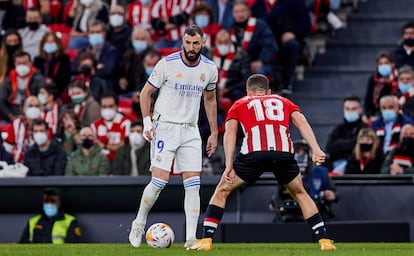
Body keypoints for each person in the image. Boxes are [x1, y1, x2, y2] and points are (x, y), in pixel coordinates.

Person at [188, 74, 336, 251]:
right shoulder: (284, 101)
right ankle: (324, 241)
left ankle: (206, 240)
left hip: (253, 153)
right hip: (283, 153)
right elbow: (301, 123)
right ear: (269, 91)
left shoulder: (241, 103)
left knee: (222, 190)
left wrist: (229, 164)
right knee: (301, 193)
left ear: (248, 92)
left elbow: (230, 132)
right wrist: (316, 148)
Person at [128, 25, 218, 249]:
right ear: (183, 42)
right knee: (159, 182)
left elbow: (210, 100)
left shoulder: (209, 68)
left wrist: (214, 132)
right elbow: (146, 93)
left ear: (203, 43)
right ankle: (139, 222)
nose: (191, 47)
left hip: (190, 129)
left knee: (193, 185)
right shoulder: (167, 63)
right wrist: (147, 122)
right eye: (187, 42)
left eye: (195, 43)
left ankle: (190, 239)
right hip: (165, 127)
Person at [269, 140, 338, 222]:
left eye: (304, 151)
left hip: (317, 214)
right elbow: (278, 196)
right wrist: (275, 203)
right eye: (297, 151)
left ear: (309, 154)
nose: (300, 154)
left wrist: (331, 194)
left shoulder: (321, 172)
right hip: (290, 216)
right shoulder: (285, 174)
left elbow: (336, 194)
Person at [325, 95, 367, 174]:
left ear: (360, 110)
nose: (350, 112)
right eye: (347, 109)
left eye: (354, 109)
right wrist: (346, 144)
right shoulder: (339, 128)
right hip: (334, 163)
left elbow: (356, 146)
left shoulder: (365, 129)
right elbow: (329, 146)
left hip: (353, 166)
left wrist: (338, 143)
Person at [91, 91, 131, 171]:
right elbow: (94, 148)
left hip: (120, 163)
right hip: (100, 164)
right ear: (100, 107)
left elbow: (122, 146)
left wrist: (104, 145)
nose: (107, 109)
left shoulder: (125, 122)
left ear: (116, 107)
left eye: (110, 106)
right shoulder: (95, 125)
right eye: (104, 106)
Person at [0, 51, 45, 122]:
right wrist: (10, 116)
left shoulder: (39, 79)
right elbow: (1, 101)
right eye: (19, 64)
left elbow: (43, 98)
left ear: (30, 63)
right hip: (12, 115)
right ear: (15, 64)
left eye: (24, 63)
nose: (22, 66)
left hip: (34, 114)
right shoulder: (8, 80)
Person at [33, 32, 72, 97]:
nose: (50, 44)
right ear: (43, 44)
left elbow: (65, 75)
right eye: (47, 42)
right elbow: (35, 74)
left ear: (58, 44)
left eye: (52, 42)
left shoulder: (64, 58)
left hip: (57, 87)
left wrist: (52, 80)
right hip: (40, 86)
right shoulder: (38, 59)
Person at [363, 52, 398, 122]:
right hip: (377, 114)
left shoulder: (399, 78)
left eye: (386, 63)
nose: (383, 66)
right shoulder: (373, 79)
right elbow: (368, 100)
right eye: (380, 64)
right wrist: (370, 115)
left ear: (392, 64)